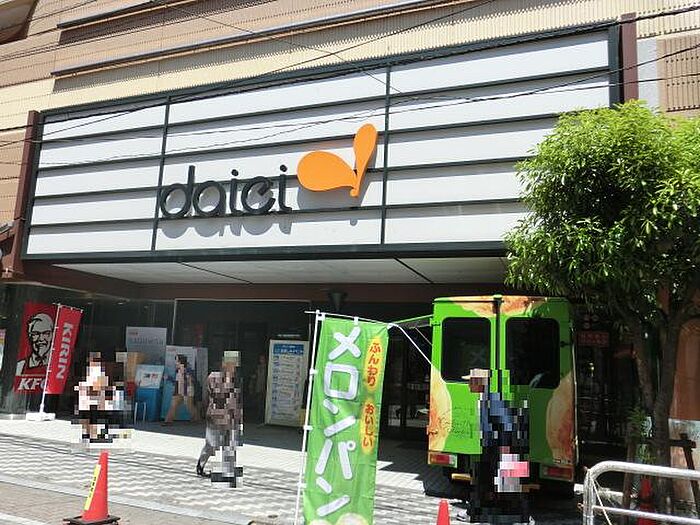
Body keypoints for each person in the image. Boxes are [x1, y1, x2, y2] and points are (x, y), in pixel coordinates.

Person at [456, 368, 532, 524]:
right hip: (492, 447)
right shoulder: (486, 398)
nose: (468, 384)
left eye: (470, 381)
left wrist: (505, 450)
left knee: (501, 484)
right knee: (488, 483)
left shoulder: (492, 399)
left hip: (499, 448)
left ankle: (521, 516)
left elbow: (507, 424)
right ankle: (477, 513)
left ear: (479, 382)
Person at [197, 353, 243, 486]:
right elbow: (214, 395)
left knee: (230, 446)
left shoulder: (236, 379)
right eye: (230, 364)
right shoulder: (214, 377)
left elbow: (236, 399)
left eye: (234, 365)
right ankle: (200, 465)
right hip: (215, 416)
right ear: (224, 363)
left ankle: (228, 473)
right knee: (212, 444)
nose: (232, 367)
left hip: (230, 417)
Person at [74, 353, 128, 445]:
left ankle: (89, 435)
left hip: (90, 401)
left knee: (93, 417)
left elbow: (99, 386)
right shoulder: (95, 372)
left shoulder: (93, 372)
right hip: (92, 401)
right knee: (96, 416)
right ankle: (92, 436)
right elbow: (97, 387)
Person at [164, 354, 199, 424]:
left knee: (189, 406)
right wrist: (168, 378)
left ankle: (196, 418)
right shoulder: (177, 370)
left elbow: (191, 380)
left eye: (177, 361)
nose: (175, 362)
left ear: (181, 362)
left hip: (187, 390)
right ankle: (168, 421)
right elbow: (176, 381)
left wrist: (186, 374)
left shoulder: (188, 369)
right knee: (173, 405)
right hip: (178, 390)